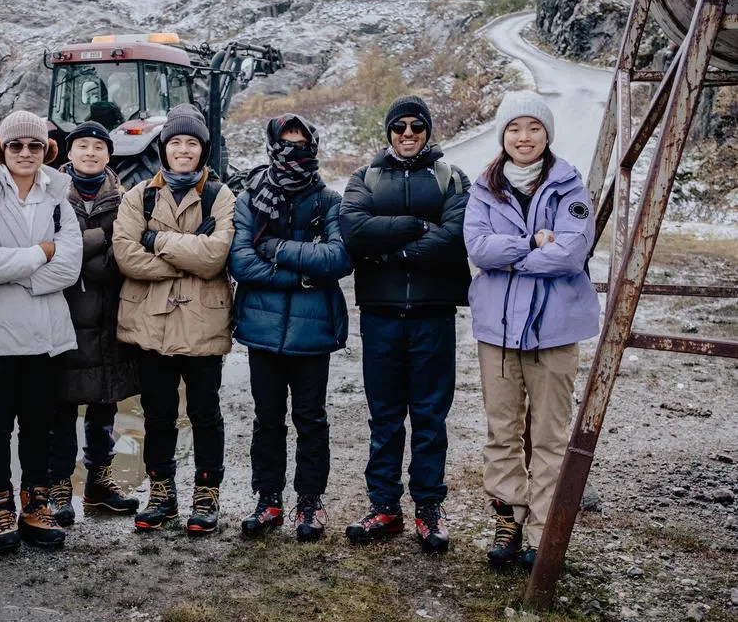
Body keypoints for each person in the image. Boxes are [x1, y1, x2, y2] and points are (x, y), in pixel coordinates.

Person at [463, 90, 599, 571]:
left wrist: (514, 257)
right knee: (502, 431)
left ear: (547, 135)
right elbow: (478, 249)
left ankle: (543, 532)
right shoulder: (483, 187)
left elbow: (569, 254)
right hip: (497, 333)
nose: (524, 137)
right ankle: (508, 517)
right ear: (503, 134)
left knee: (548, 435)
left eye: (534, 128)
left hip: (555, 332)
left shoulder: (570, 188)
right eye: (515, 128)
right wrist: (530, 242)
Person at [339, 94, 470, 553]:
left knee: (430, 417)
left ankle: (429, 509)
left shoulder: (451, 177)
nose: (408, 134)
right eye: (399, 127)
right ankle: (384, 507)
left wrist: (389, 247)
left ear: (428, 131)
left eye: (417, 126)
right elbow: (353, 230)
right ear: (389, 132)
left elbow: (455, 240)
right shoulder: (366, 177)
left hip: (434, 315)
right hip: (380, 316)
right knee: (386, 417)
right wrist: (417, 229)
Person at [0, 110, 82, 552]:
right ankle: (1, 509)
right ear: (1, 149)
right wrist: (40, 253)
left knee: (38, 425)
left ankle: (36, 505)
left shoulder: (57, 198)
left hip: (46, 334)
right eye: (16, 146)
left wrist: (24, 270)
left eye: (34, 146)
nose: (25, 153)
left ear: (46, 151)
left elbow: (69, 266)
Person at [112, 104, 236, 535]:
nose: (183, 150)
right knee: (158, 414)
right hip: (153, 324)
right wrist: (184, 257)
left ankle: (206, 492)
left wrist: (157, 239)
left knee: (206, 413)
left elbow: (216, 255)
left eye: (192, 143)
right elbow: (126, 255)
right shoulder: (138, 195)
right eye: (176, 142)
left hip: (203, 324)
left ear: (203, 150)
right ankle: (161, 492)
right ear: (164, 149)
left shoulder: (221, 195)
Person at [230, 114, 352, 542]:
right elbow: (241, 262)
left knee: (311, 418)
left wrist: (277, 249)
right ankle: (268, 499)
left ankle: (310, 500)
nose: (294, 153)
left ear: (313, 148)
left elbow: (338, 259)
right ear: (271, 147)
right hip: (261, 330)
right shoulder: (249, 198)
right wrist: (302, 273)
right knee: (267, 420)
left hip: (313, 332)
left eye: (302, 145)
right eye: (286, 144)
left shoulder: (330, 202)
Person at [48, 121, 141, 526]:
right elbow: (55, 256)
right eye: (82, 146)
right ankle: (58, 486)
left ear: (108, 155)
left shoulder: (125, 200)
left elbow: (126, 256)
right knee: (61, 407)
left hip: (108, 316)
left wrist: (82, 257)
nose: (90, 153)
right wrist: (97, 244)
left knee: (105, 403)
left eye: (98, 147)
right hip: (62, 316)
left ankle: (100, 483)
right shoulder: (50, 196)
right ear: (69, 154)